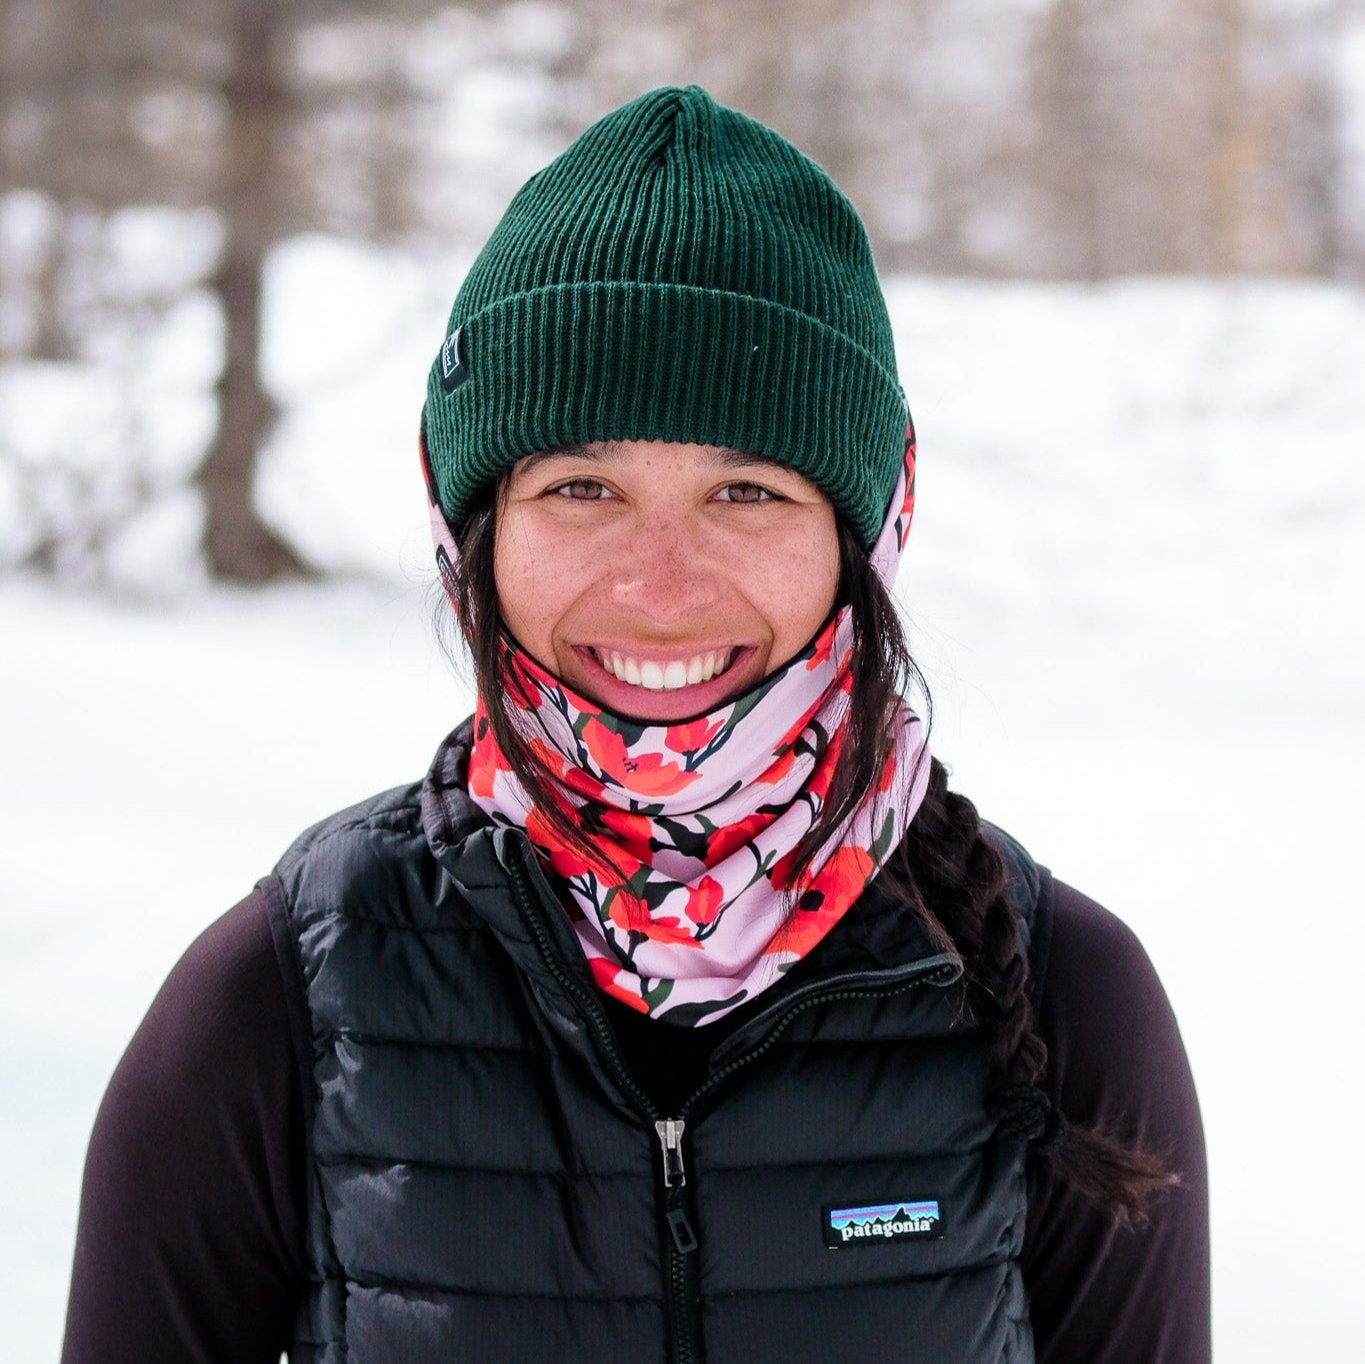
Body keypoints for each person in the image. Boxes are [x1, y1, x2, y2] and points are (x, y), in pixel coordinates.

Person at [61, 85, 1209, 1363]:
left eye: (747, 489)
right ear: (471, 533)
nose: (661, 588)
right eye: (583, 487)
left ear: (864, 536)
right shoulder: (288, 990)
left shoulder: (1062, 991)